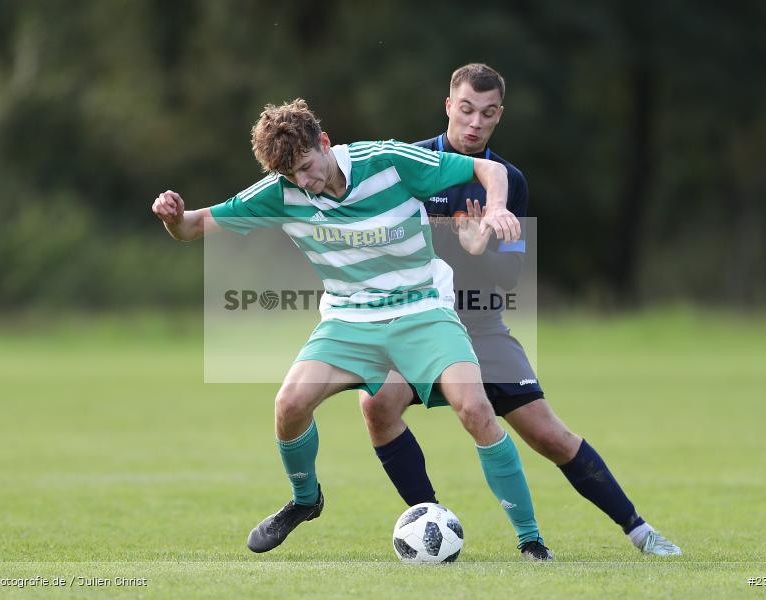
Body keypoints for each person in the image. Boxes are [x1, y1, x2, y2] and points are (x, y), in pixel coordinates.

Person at [151, 98, 555, 559]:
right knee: (289, 405)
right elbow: (193, 226)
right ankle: (306, 501)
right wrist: (173, 218)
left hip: (422, 308)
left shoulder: (386, 160)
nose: (304, 181)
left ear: (325, 143)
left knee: (475, 409)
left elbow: (491, 173)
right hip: (349, 320)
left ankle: (530, 539)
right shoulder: (282, 190)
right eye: (291, 176)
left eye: (306, 166)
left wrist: (499, 208)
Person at [358, 63, 681, 556]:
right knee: (377, 405)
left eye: (487, 114)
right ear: (449, 106)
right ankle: (432, 522)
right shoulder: (412, 164)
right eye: (466, 110)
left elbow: (510, 279)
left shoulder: (509, 182)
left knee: (549, 435)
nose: (475, 123)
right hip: (420, 323)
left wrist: (478, 249)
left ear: (499, 116)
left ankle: (639, 531)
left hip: (482, 324)